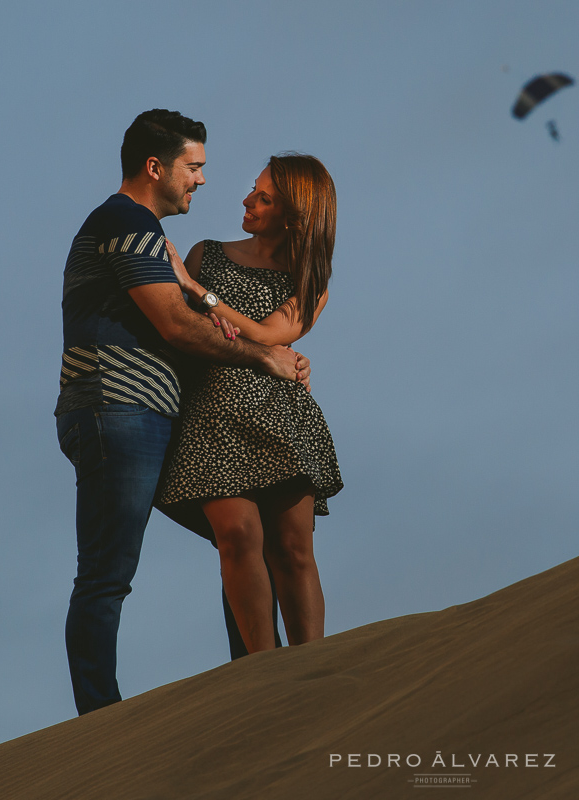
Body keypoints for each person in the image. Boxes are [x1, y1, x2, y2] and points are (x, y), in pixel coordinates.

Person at [55, 110, 309, 715]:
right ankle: (100, 716)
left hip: (142, 414)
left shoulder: (138, 230)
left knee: (242, 536)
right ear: (155, 167)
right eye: (193, 167)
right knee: (107, 573)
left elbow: (185, 313)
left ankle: (256, 672)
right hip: (118, 408)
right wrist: (263, 358)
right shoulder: (125, 222)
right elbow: (174, 324)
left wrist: (207, 301)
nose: (200, 180)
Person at [157, 153, 343, 656]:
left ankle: (313, 667)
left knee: (293, 549)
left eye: (263, 198)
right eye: (252, 189)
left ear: (292, 214)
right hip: (213, 417)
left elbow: (266, 334)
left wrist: (199, 293)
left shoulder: (310, 280)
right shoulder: (206, 253)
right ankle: (260, 676)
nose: (246, 200)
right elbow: (180, 333)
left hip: (280, 420)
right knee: (237, 538)